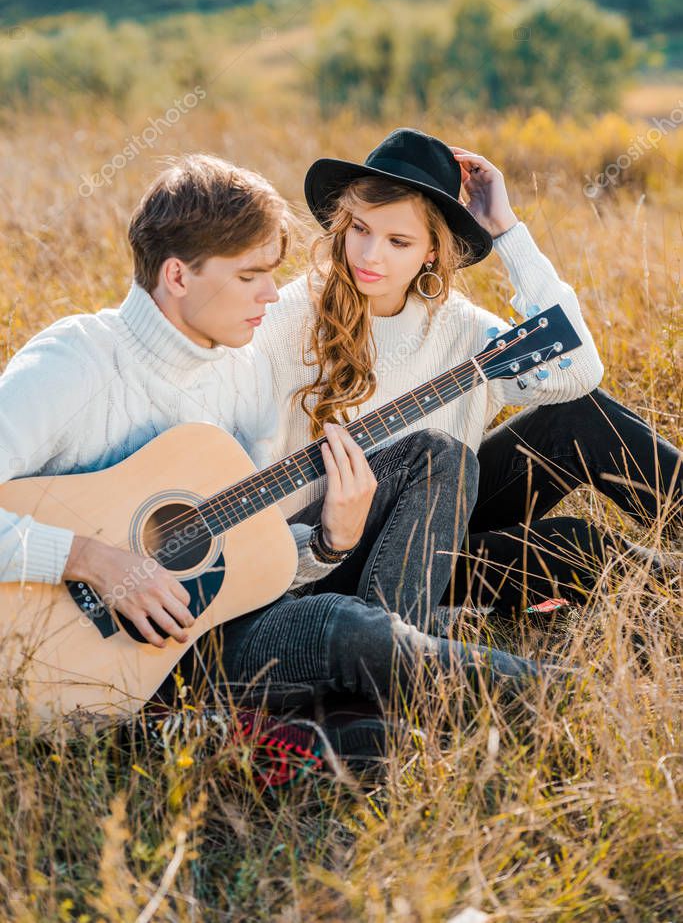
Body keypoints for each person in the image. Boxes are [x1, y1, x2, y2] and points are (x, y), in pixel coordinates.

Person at [0, 153, 545, 732]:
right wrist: (89, 558)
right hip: (116, 659)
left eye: (270, 273)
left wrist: (330, 543)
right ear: (179, 275)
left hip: (220, 628)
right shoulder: (74, 361)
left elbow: (245, 562)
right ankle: (566, 701)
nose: (271, 294)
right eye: (248, 276)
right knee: (355, 636)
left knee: (351, 608)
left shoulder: (243, 370)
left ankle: (388, 714)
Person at [254, 128, 683, 622]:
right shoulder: (289, 318)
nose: (371, 256)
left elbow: (580, 371)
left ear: (432, 251)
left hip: (442, 521)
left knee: (579, 416)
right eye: (360, 230)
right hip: (338, 553)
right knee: (575, 545)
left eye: (398, 241)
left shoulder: (458, 325)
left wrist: (506, 230)